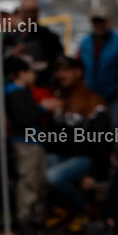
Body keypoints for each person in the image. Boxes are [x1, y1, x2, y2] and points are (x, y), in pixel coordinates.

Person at [39, 56, 110, 231]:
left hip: (83, 160)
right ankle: (60, 209)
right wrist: (45, 110)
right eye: (59, 70)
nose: (61, 74)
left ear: (77, 72)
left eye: (66, 70)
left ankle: (81, 209)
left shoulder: (93, 101)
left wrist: (95, 173)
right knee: (38, 165)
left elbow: (102, 141)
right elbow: (50, 139)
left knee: (52, 176)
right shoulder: (58, 98)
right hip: (61, 157)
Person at [2, 56, 48, 234]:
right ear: (21, 73)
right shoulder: (14, 92)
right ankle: (26, 219)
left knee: (38, 181)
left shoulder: (23, 91)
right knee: (28, 182)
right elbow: (22, 119)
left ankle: (36, 218)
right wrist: (42, 109)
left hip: (35, 142)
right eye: (31, 71)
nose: (34, 75)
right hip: (25, 143)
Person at [77, 5, 118, 126]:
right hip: (90, 96)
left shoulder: (116, 43)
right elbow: (79, 66)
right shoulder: (85, 43)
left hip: (112, 97)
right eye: (96, 21)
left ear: (109, 21)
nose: (99, 24)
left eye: (102, 21)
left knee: (113, 128)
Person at [11, 0, 63, 88]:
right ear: (20, 13)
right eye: (26, 12)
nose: (29, 16)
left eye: (32, 12)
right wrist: (13, 53)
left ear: (38, 13)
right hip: (18, 88)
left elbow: (58, 61)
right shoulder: (13, 36)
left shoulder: (49, 36)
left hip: (43, 86)